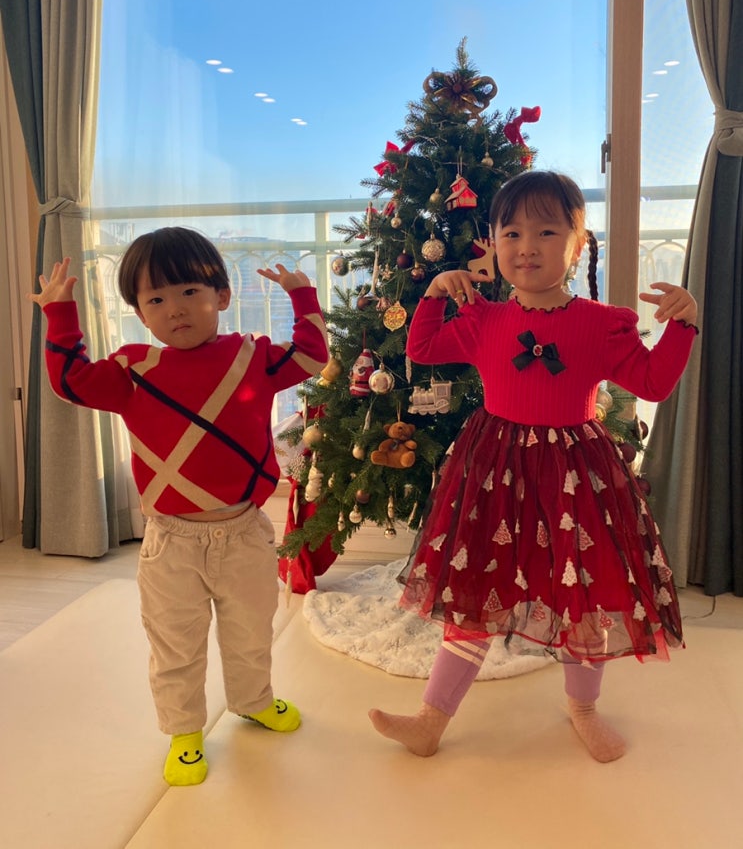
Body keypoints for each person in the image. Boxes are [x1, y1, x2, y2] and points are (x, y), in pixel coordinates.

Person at [368, 170, 698, 763]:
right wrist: (435, 294)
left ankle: (584, 709)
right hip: (494, 470)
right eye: (512, 232)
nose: (527, 246)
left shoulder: (603, 322)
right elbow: (422, 350)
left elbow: (653, 381)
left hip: (576, 475)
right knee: (477, 590)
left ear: (577, 243)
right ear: (494, 242)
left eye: (547, 232)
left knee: (584, 593)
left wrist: (684, 323)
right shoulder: (482, 318)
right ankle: (430, 720)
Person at [31, 227, 329, 786]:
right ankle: (184, 731)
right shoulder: (133, 370)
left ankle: (253, 700)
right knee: (175, 644)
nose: (176, 309)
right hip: (171, 542)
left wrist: (301, 295)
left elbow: (313, 357)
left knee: (251, 632)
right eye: (156, 299)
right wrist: (60, 313)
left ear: (222, 296)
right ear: (140, 313)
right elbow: (71, 381)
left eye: (190, 291)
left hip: (244, 533)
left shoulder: (251, 356)